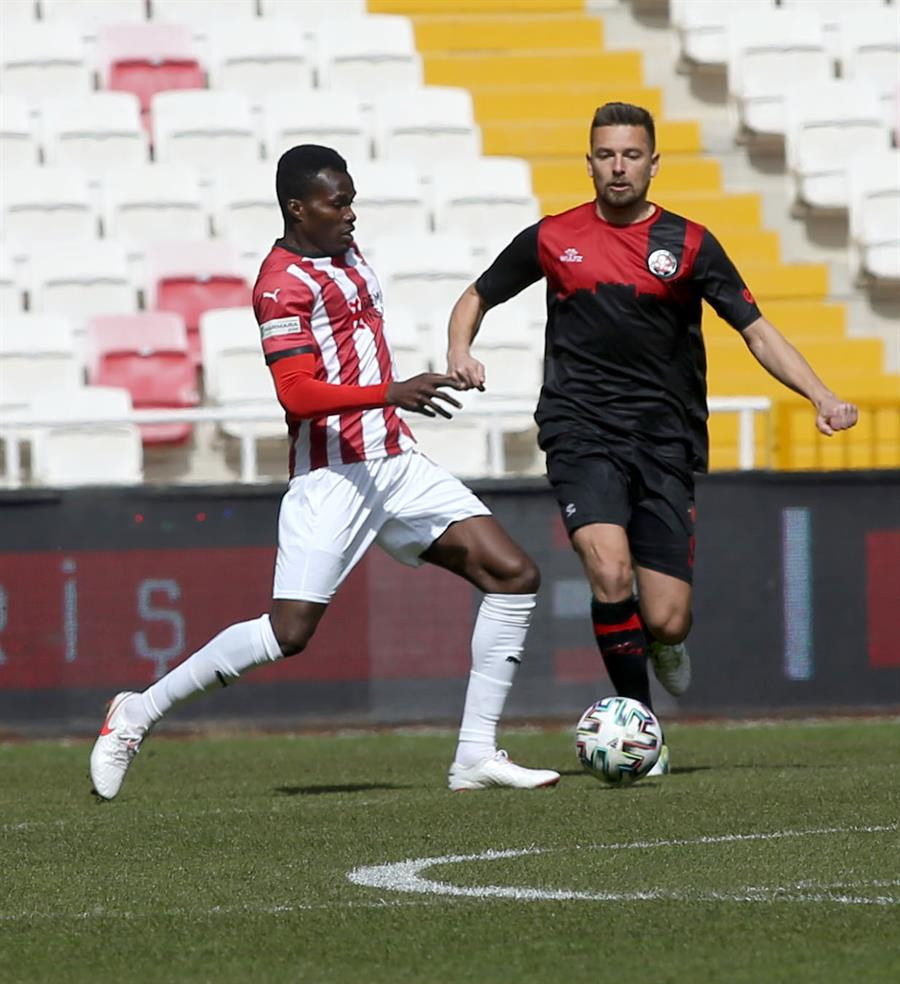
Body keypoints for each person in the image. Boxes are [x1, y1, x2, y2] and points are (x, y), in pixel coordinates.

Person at [89, 144, 560, 800]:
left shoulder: (346, 253)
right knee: (288, 634)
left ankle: (474, 755)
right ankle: (135, 713)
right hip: (332, 475)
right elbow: (298, 394)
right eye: (338, 203)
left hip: (394, 461)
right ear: (297, 208)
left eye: (352, 200)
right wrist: (389, 392)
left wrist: (400, 395)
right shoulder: (279, 285)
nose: (351, 214)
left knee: (513, 575)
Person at [445, 102, 859, 773]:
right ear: (589, 163)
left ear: (653, 163)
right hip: (579, 429)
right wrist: (459, 347)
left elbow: (755, 329)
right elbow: (477, 295)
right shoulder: (553, 237)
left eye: (631, 155)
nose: (618, 166)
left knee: (666, 619)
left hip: (665, 440)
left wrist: (821, 394)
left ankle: (662, 645)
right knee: (607, 570)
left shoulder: (691, 243)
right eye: (606, 155)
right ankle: (641, 731)